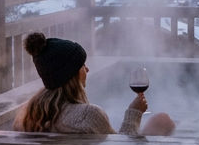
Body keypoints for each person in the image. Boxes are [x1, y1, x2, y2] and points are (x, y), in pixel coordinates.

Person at [13, 32, 174, 135]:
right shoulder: (88, 116)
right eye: (82, 65)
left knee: (160, 121)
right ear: (71, 74)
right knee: (162, 121)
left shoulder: (28, 115)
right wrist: (134, 113)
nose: (87, 70)